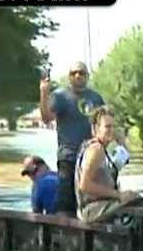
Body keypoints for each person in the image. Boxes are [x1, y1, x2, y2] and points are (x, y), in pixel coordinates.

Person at [39, 61, 105, 216]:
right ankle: (65, 233)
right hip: (68, 156)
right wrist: (44, 93)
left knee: (92, 199)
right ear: (69, 77)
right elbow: (47, 118)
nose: (78, 76)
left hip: (90, 157)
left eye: (81, 73)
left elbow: (104, 124)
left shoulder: (95, 98)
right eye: (74, 73)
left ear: (87, 76)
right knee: (66, 202)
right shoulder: (60, 96)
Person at [75, 107, 138, 222]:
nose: (112, 130)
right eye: (107, 127)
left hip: (102, 205)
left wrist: (122, 143)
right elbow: (84, 185)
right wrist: (118, 195)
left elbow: (119, 164)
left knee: (136, 198)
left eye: (114, 126)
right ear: (96, 129)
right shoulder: (96, 150)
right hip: (92, 209)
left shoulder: (102, 149)